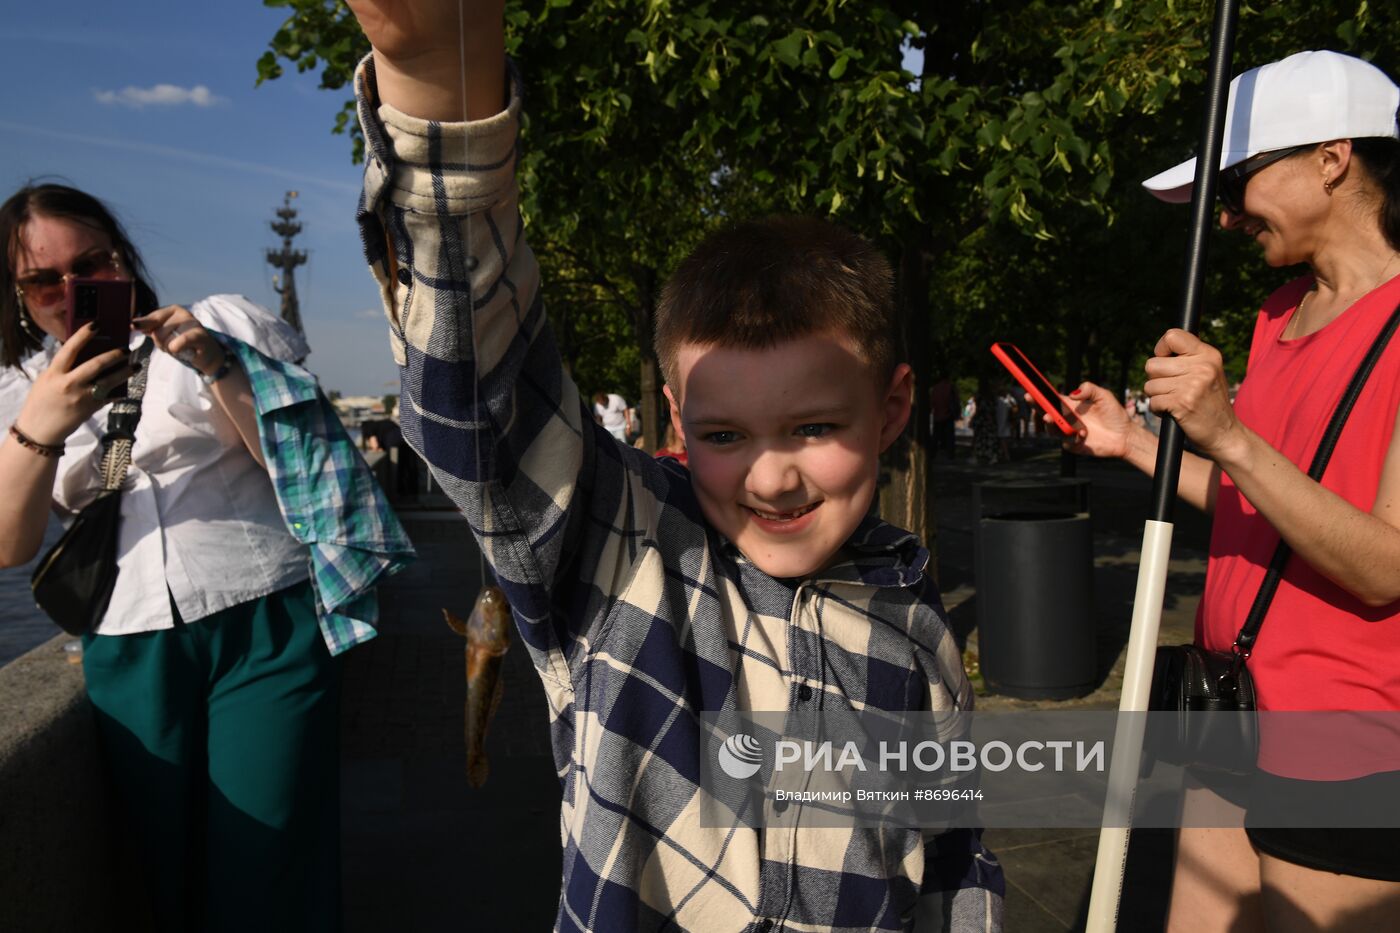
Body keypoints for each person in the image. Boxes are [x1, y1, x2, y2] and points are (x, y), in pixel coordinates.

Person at [345, 1, 1003, 930]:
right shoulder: (625, 555)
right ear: (676, 416)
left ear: (893, 408)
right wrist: (438, 71)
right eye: (724, 436)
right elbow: (477, 391)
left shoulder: (918, 616)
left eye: (814, 426)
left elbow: (953, 856)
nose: (773, 479)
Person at [0, 184, 411, 931]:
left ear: (118, 259)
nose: (68, 290)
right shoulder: (21, 386)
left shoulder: (217, 320)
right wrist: (41, 424)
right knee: (156, 864)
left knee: (270, 856)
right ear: (17, 294)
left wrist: (218, 365)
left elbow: (299, 465)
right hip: (126, 641)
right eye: (39, 279)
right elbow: (12, 543)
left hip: (264, 618)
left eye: (87, 263)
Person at [1069, 51, 1400, 931]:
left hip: (1344, 742)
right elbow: (1262, 501)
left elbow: (1384, 567)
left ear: (1333, 158)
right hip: (1229, 708)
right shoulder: (1277, 314)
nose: (1224, 213)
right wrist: (1135, 442)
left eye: (1241, 179)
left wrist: (1232, 435)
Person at [929, 373, 960, 460]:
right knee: (949, 436)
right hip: (948, 415)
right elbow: (955, 401)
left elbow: (932, 402)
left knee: (936, 436)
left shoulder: (935, 388)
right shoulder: (950, 387)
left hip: (937, 414)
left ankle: (933, 453)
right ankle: (950, 454)